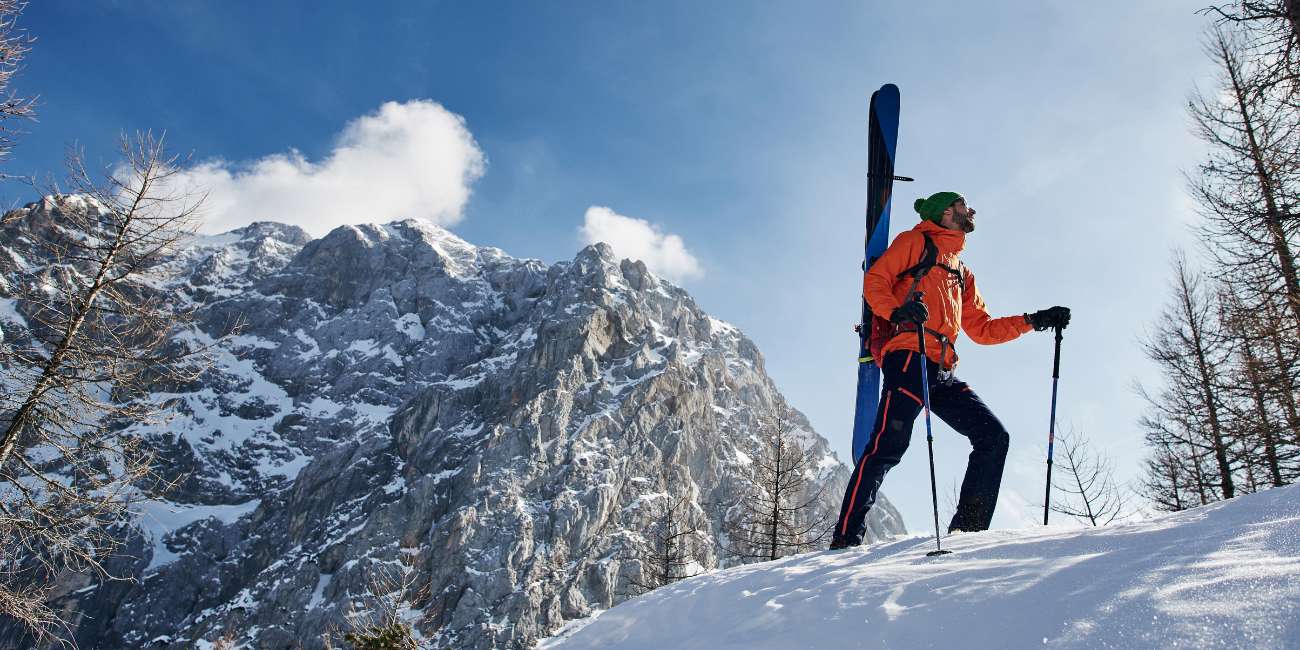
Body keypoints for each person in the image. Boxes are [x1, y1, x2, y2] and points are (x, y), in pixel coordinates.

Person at [830, 191, 1070, 549]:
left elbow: (982, 329)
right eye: (963, 205)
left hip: (942, 369)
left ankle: (968, 533)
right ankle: (846, 538)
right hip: (910, 357)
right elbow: (875, 282)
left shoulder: (961, 272)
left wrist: (1033, 321)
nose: (970, 209)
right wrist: (897, 312)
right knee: (886, 448)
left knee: (993, 437)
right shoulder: (915, 243)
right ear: (944, 212)